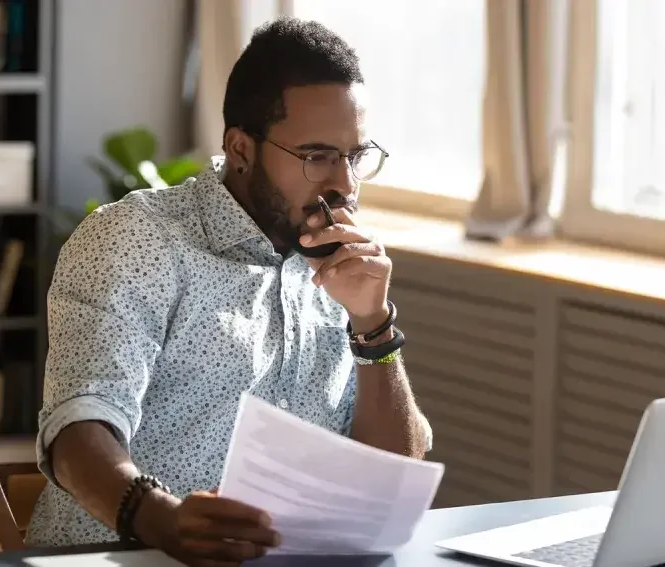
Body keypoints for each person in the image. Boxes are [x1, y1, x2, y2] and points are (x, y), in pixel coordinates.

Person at [25, 16, 432, 565]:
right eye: (317, 157)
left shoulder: (342, 267)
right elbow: (78, 428)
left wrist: (372, 324)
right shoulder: (138, 239)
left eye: (354, 156)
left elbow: (394, 475)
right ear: (241, 148)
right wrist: (162, 521)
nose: (345, 185)